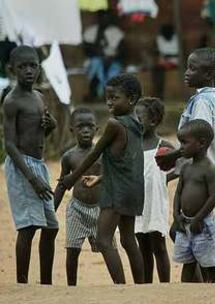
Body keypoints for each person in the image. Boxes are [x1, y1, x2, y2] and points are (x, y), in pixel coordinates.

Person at [58, 73, 145, 284]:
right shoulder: (137, 123)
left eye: (115, 98)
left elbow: (94, 153)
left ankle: (121, 287)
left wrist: (71, 179)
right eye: (107, 97)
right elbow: (126, 162)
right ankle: (143, 287)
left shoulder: (115, 124)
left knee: (103, 239)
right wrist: (99, 179)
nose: (109, 102)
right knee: (128, 239)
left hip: (117, 191)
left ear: (131, 99)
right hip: (133, 188)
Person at [3, 45, 58, 284]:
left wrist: (51, 125)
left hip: (38, 164)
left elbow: (38, 136)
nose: (29, 71)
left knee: (51, 227)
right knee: (28, 228)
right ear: (11, 69)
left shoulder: (39, 97)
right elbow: (11, 145)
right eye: (22, 67)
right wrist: (32, 179)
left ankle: (46, 284)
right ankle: (22, 283)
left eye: (33, 65)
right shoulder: (12, 101)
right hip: (22, 168)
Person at [53, 107, 116, 286]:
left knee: (109, 248)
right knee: (72, 250)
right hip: (77, 209)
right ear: (72, 130)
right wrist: (51, 210)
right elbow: (62, 184)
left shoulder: (104, 153)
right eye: (81, 127)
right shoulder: (69, 156)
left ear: (97, 130)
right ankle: (71, 288)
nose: (86, 130)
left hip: (101, 209)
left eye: (90, 126)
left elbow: (112, 177)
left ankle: (120, 285)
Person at [156, 47, 215, 182]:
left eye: (192, 69)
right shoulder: (203, 98)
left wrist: (173, 155)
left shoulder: (203, 102)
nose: (187, 73)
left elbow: (197, 139)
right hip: (197, 173)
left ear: (209, 75)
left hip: (201, 176)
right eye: (188, 68)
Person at [173, 119, 215, 283]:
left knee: (209, 263)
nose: (181, 147)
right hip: (184, 222)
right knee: (188, 261)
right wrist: (176, 215)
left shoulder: (209, 169)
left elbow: (214, 197)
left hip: (203, 224)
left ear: (201, 143)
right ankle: (187, 294)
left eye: (185, 143)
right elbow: (178, 192)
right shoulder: (186, 167)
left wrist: (198, 218)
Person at [134, 97, 175, 283]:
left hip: (155, 202)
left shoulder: (164, 148)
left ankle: (164, 286)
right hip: (136, 203)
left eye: (139, 117)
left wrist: (163, 178)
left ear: (153, 121)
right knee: (142, 246)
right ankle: (146, 287)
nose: (135, 121)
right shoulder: (131, 146)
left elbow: (183, 166)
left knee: (158, 245)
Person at [83, 10, 125, 99]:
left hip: (113, 60)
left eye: (107, 18)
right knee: (96, 64)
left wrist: (110, 58)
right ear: (98, 19)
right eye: (102, 17)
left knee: (113, 73)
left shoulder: (116, 32)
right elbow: (87, 51)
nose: (105, 20)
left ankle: (106, 94)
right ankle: (94, 92)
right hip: (96, 60)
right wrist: (99, 35)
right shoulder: (90, 32)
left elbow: (122, 52)